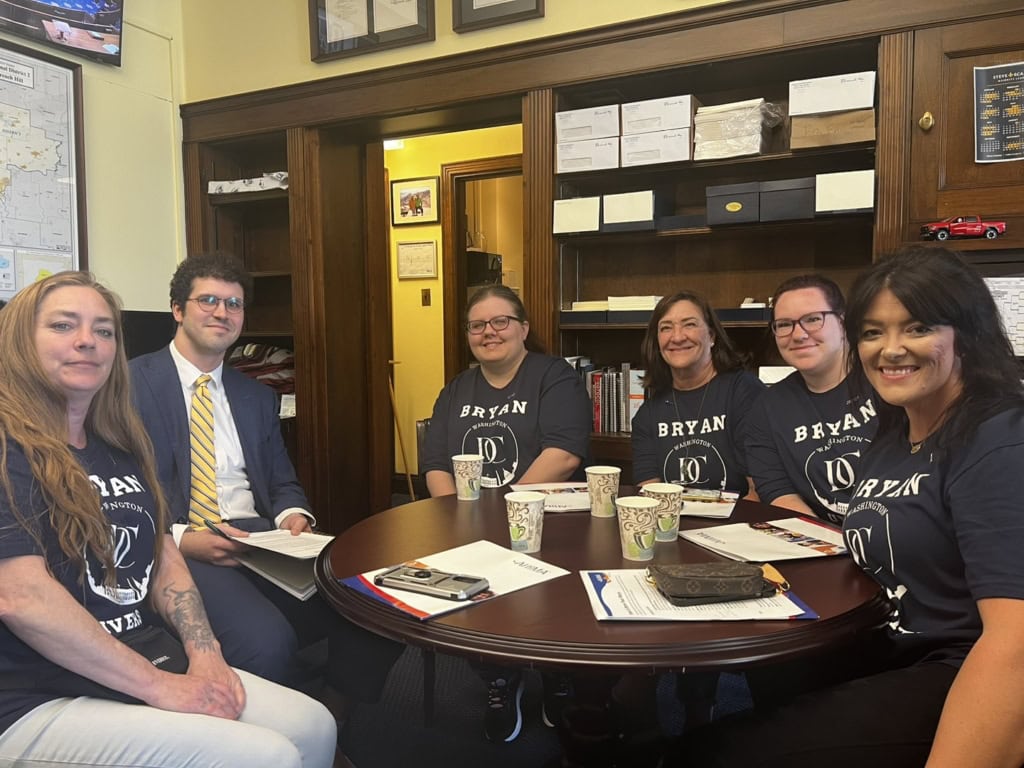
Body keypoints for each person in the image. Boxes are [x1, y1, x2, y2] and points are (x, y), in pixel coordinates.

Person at [676, 246, 1024, 767]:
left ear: (966, 334)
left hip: (952, 663)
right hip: (884, 640)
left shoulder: (997, 439)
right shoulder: (895, 431)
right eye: (873, 332)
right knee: (761, 676)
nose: (891, 349)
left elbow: (1015, 646)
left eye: (917, 327)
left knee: (705, 755)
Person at [0, 271, 336, 767]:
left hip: (140, 652)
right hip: (38, 692)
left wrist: (206, 655)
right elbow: (20, 597)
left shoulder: (115, 445)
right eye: (63, 326)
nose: (86, 341)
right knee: (267, 756)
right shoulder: (11, 448)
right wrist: (161, 687)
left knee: (315, 726)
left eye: (104, 330)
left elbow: (161, 553)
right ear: (19, 342)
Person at [129, 253, 402, 723]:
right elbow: (119, 493)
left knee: (379, 605)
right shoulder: (129, 384)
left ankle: (328, 725)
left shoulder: (256, 395)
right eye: (208, 300)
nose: (222, 312)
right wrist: (180, 540)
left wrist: (293, 517)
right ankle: (265, 742)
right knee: (267, 642)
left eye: (233, 304)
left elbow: (281, 481)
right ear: (177, 309)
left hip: (257, 540)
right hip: (179, 545)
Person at [420, 284, 592, 743]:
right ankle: (499, 679)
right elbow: (435, 462)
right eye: (477, 325)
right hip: (471, 523)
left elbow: (564, 453)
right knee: (476, 587)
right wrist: (453, 513)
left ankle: (557, 674)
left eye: (500, 322)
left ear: (523, 329)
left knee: (550, 598)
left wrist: (503, 512)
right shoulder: (457, 387)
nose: (488, 332)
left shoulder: (552, 375)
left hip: (549, 523)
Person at [745, 275, 877, 523]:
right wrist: (836, 545)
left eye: (813, 319)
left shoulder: (886, 381)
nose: (798, 334)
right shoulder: (767, 407)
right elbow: (776, 490)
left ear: (844, 322)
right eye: (784, 324)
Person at [631, 291, 764, 494]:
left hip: (738, 520)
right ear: (656, 341)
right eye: (666, 328)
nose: (677, 337)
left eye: (689, 324)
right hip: (674, 522)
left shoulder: (743, 391)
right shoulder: (648, 413)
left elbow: (760, 490)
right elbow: (650, 493)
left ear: (711, 336)